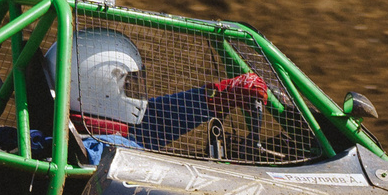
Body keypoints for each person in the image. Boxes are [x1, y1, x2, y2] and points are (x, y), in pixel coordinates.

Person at [53, 28, 270, 160]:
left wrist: (215, 97)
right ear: (98, 87)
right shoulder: (106, 149)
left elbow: (156, 120)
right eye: (128, 84)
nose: (135, 92)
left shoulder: (82, 136)